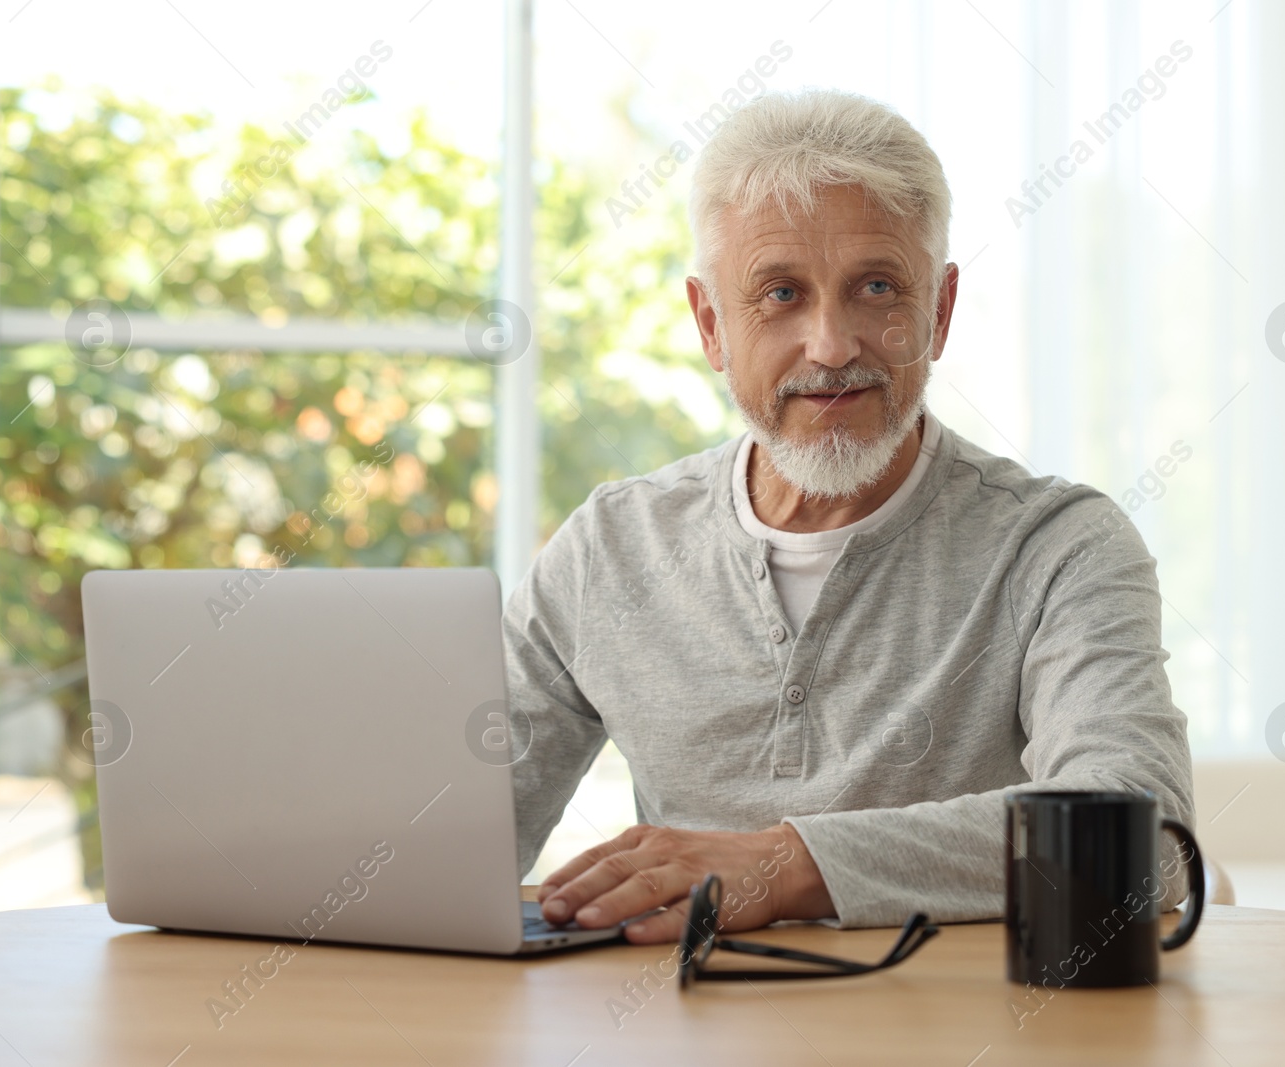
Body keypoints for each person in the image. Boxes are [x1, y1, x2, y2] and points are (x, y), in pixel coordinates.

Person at [503, 88, 1194, 944]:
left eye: (875, 287)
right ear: (711, 325)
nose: (831, 345)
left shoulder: (1060, 547)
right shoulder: (608, 550)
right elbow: (453, 837)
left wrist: (788, 864)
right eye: (782, 293)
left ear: (937, 313)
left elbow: (1142, 837)